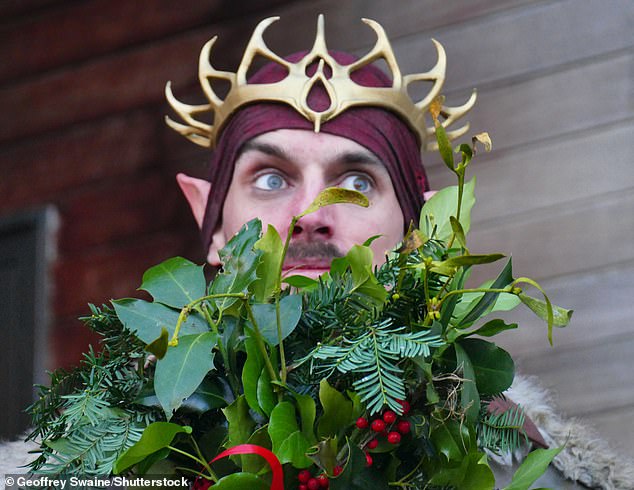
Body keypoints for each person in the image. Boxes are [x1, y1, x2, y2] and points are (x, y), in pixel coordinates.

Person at [165, 15, 633, 489]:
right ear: (211, 220)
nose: (310, 212)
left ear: (422, 232)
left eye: (357, 182)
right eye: (271, 179)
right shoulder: (116, 452)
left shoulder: (524, 474)